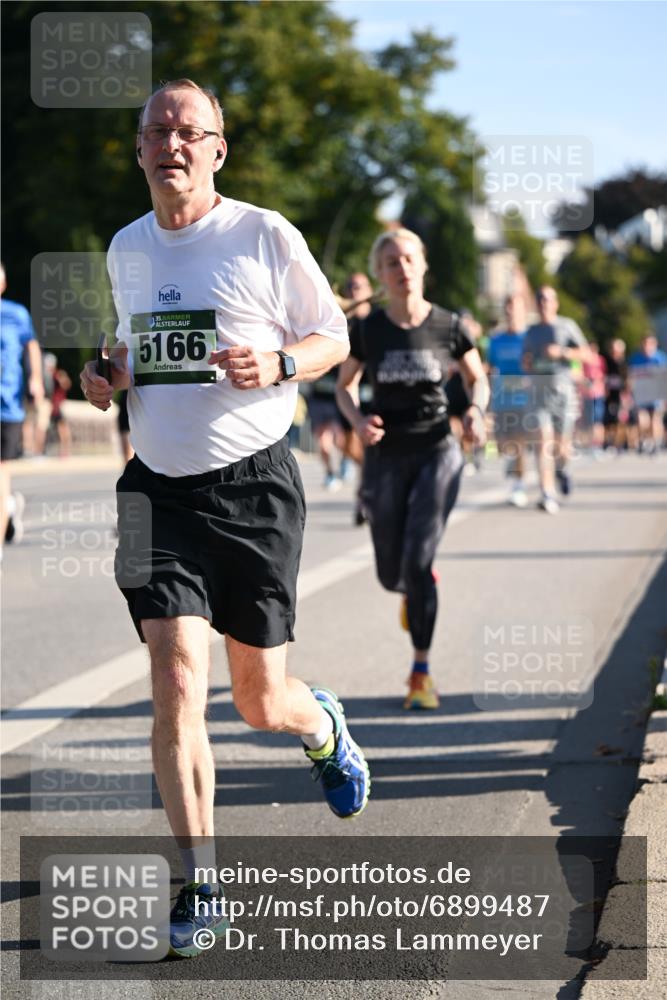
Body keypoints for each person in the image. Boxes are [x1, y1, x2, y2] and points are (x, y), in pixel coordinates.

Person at [79, 79, 370, 958]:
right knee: (172, 680)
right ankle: (201, 881)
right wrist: (106, 374)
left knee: (257, 700)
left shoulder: (261, 232)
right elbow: (130, 345)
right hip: (153, 489)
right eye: (156, 131)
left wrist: (280, 359)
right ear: (138, 150)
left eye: (188, 131)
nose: (171, 144)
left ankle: (319, 723)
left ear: (217, 149)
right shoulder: (126, 247)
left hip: (254, 489)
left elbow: (332, 336)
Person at [336, 228, 488, 711]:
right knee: (389, 574)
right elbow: (345, 386)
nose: (401, 269)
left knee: (418, 560)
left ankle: (420, 672)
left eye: (408, 259)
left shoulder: (449, 324)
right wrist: (359, 421)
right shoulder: (369, 329)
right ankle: (414, 586)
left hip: (437, 450)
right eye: (390, 263)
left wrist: (476, 412)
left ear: (423, 266)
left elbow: (476, 377)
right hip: (385, 457)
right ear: (381, 274)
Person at [522, 286, 590, 510]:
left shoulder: (566, 325)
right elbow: (525, 360)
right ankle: (547, 493)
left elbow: (587, 354)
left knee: (563, 446)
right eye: (540, 299)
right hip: (539, 391)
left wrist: (562, 352)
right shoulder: (530, 331)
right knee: (543, 442)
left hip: (563, 392)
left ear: (555, 303)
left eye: (547, 299)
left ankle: (563, 468)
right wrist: (528, 365)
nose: (543, 303)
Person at [1, 263, 44, 552]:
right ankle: (10, 505)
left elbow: (31, 346)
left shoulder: (15, 314)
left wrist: (36, 379)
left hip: (6, 405)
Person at [487, 294, 530, 506]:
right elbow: (490, 367)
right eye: (509, 307)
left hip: (525, 398)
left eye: (516, 307)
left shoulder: (530, 337)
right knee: (503, 443)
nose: (512, 312)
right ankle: (512, 463)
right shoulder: (495, 339)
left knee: (519, 440)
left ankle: (519, 485)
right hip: (502, 396)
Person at [628, 333, 667, 455]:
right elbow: (630, 376)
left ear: (655, 345)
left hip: (657, 393)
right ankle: (645, 440)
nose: (647, 346)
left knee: (656, 419)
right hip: (641, 393)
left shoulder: (660, 358)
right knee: (642, 419)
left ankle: (656, 443)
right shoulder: (635, 358)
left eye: (650, 344)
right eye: (645, 343)